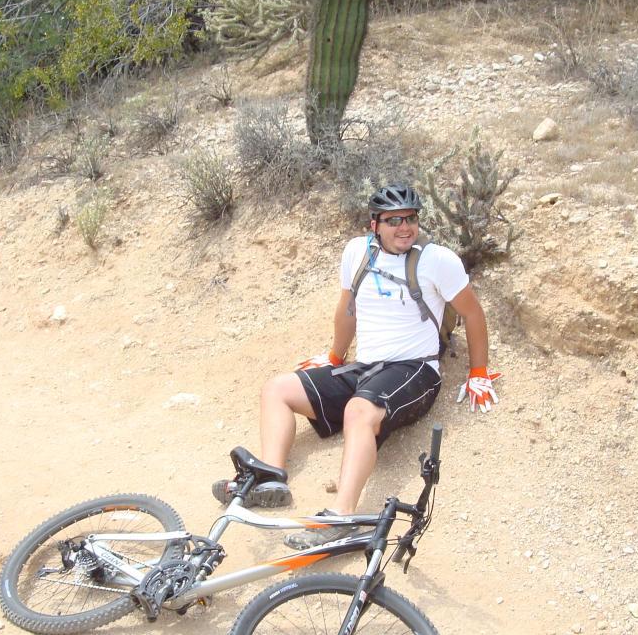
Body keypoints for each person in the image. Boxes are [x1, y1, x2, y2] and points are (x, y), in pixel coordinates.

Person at [211, 182, 501, 549]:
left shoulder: (436, 260)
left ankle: (342, 517)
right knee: (277, 390)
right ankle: (271, 478)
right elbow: (348, 309)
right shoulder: (357, 253)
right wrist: (334, 356)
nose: (405, 227)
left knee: (359, 410)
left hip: (416, 369)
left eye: (410, 218)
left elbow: (473, 314)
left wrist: (478, 372)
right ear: (374, 224)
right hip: (365, 367)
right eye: (394, 220)